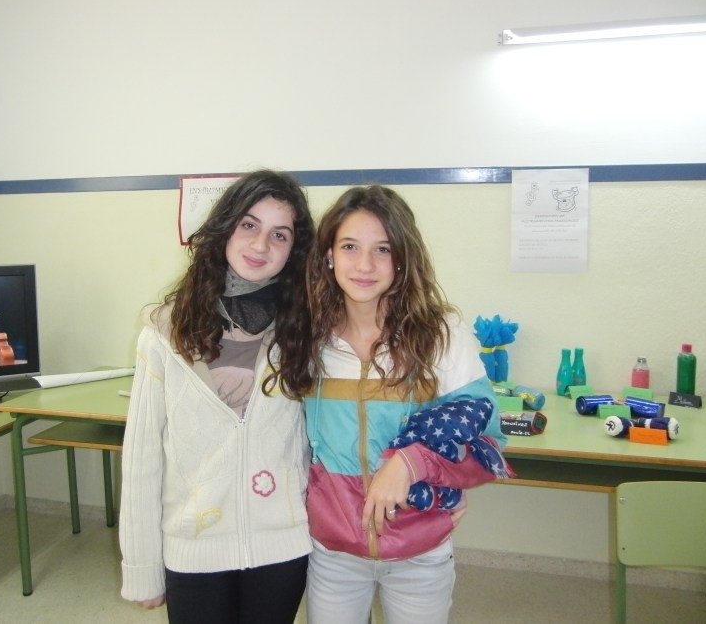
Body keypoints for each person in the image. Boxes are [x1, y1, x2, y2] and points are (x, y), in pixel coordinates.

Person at [303, 185, 510, 624]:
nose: (364, 265)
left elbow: (488, 442)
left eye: (382, 249)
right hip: (333, 552)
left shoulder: (441, 334)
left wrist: (411, 463)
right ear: (329, 255)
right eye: (349, 247)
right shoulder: (306, 339)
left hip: (420, 552)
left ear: (402, 258)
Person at [118, 169, 316, 624]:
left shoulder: (305, 331)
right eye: (249, 225)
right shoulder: (165, 332)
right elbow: (142, 457)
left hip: (281, 547)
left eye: (279, 234)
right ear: (225, 228)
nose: (260, 245)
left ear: (294, 249)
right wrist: (141, 567)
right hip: (193, 548)